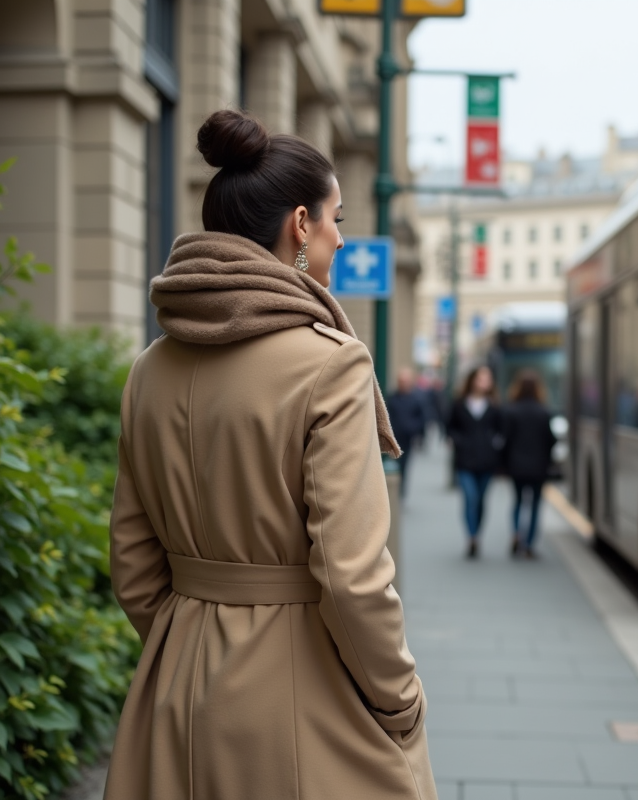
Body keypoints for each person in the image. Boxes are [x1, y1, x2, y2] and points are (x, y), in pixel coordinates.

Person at [104, 110, 435, 800]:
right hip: (303, 689)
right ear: (300, 224)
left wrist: (187, 637)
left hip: (173, 686)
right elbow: (351, 576)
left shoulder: (149, 369)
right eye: (337, 219)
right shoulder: (330, 364)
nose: (341, 238)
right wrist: (399, 698)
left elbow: (133, 567)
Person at [501, 371, 557, 559]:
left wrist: (504, 464)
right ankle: (529, 543)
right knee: (535, 505)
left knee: (518, 501)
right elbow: (551, 440)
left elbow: (505, 440)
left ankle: (517, 533)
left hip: (516, 465)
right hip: (538, 466)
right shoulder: (544, 412)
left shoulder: (511, 411)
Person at [447, 366, 501, 558]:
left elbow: (501, 430)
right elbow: (450, 426)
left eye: (488, 379)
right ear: (472, 381)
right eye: (481, 378)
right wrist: (457, 441)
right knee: (470, 498)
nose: (485, 383)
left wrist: (494, 444)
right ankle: (472, 538)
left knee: (481, 500)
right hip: (465, 460)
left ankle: (477, 533)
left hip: (487, 461)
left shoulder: (494, 406)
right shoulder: (459, 404)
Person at [387, 366, 427, 498]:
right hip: (393, 439)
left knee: (404, 466)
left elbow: (422, 418)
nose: (403, 384)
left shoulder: (416, 399)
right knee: (393, 465)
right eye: (401, 381)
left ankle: (400, 492)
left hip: (408, 439)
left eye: (405, 381)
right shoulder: (392, 398)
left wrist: (415, 431)